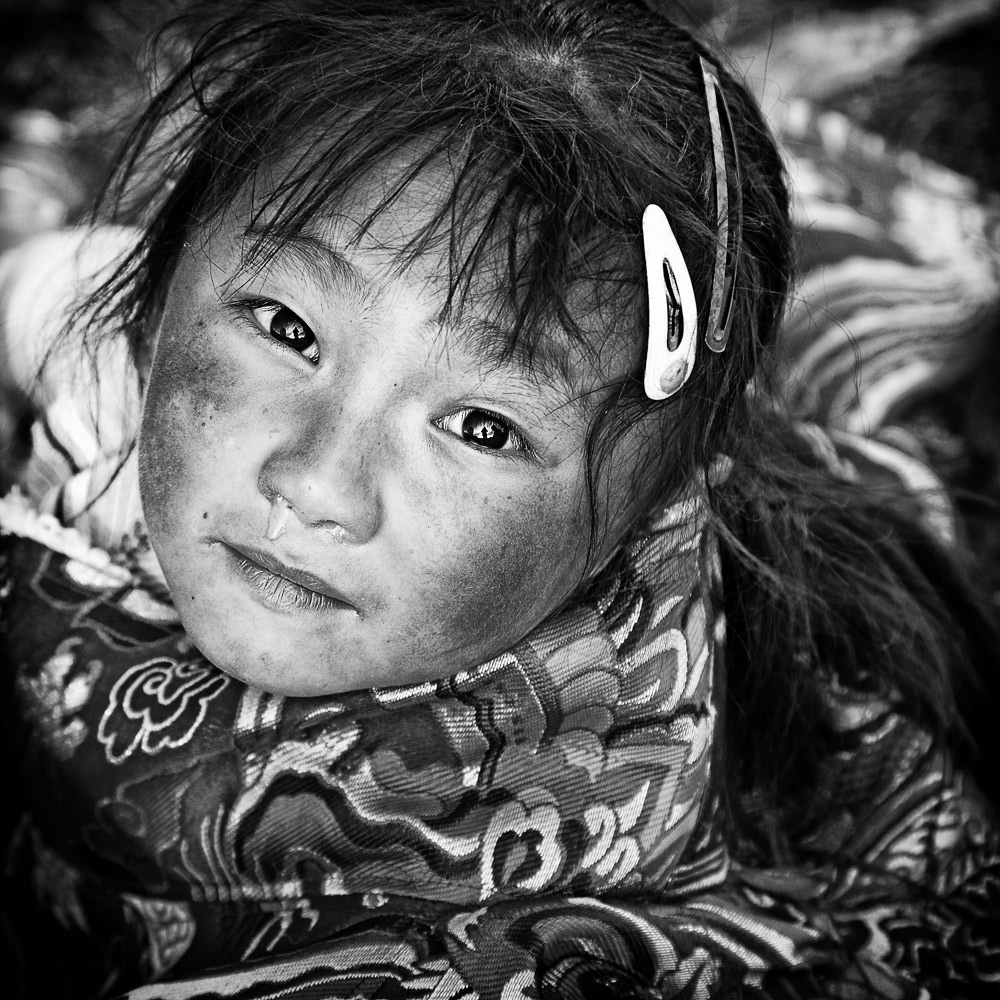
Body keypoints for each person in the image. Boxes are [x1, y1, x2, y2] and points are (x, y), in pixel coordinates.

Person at [1, 2, 997, 997]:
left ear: (647, 515)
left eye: (482, 428)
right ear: (161, 290)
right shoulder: (112, 382)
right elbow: (50, 288)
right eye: (288, 329)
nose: (316, 486)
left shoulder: (571, 871)